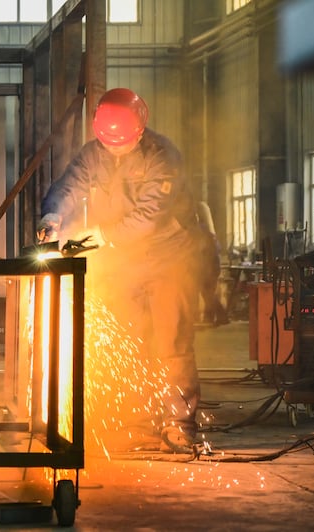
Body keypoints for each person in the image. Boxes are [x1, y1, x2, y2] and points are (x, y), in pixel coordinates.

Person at [37, 88, 203, 454]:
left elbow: (148, 216)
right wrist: (53, 215)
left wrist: (102, 235)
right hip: (124, 261)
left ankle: (179, 422)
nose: (112, 149)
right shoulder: (94, 152)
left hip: (167, 259)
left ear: (140, 131)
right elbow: (69, 185)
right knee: (129, 339)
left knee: (170, 341)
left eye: (120, 144)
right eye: (106, 143)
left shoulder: (163, 158)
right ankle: (137, 421)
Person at [196, 201, 229, 326]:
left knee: (207, 293)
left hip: (208, 266)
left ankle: (221, 316)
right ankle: (209, 318)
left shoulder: (201, 230)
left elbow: (201, 250)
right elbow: (218, 248)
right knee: (207, 293)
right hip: (212, 265)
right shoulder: (209, 232)